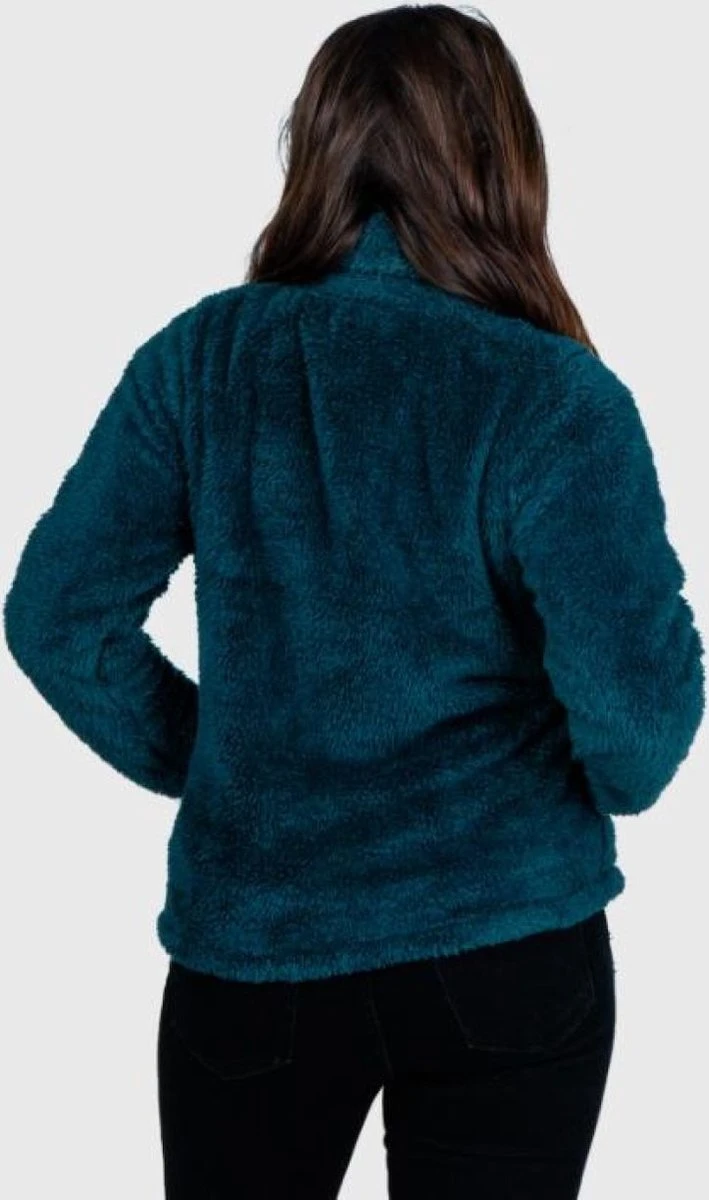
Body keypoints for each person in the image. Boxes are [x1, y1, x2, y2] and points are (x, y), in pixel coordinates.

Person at [3, 4, 705, 1198]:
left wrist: (221, 759)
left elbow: (57, 617)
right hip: (506, 940)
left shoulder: (201, 360)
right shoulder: (554, 396)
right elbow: (638, 737)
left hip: (258, 940)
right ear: (500, 156)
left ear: (313, 149)